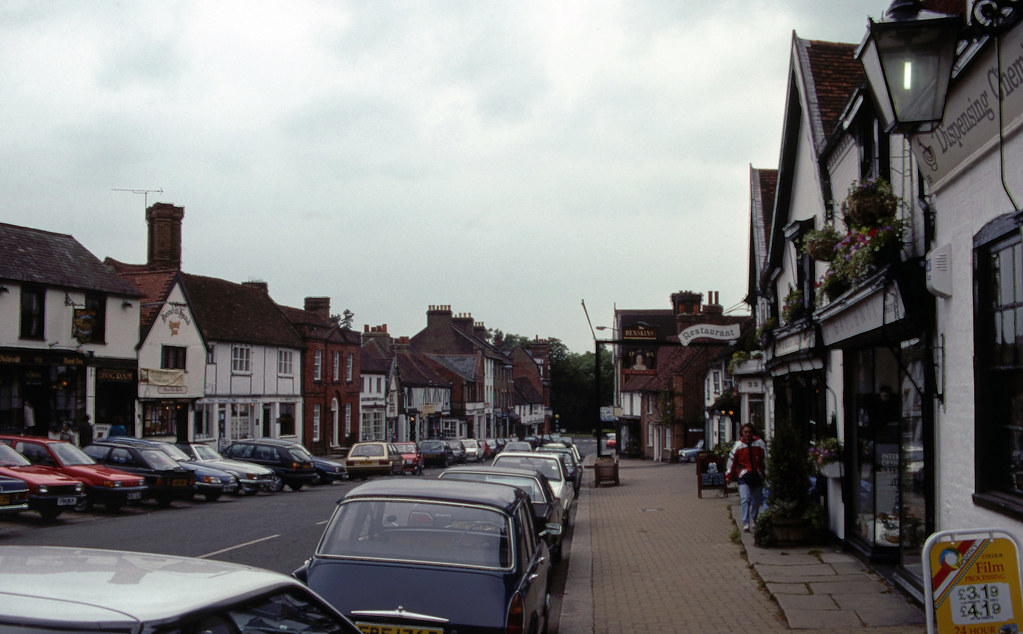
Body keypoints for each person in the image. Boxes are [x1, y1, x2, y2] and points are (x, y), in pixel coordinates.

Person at [726, 423, 767, 532]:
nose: (747, 434)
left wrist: (766, 473)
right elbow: (732, 461)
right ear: (742, 433)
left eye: (749, 432)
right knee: (745, 498)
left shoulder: (759, 443)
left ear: (752, 432)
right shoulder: (738, 445)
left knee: (756, 501)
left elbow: (765, 459)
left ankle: (753, 519)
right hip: (744, 476)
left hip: (756, 475)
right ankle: (745, 522)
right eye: (745, 432)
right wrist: (729, 476)